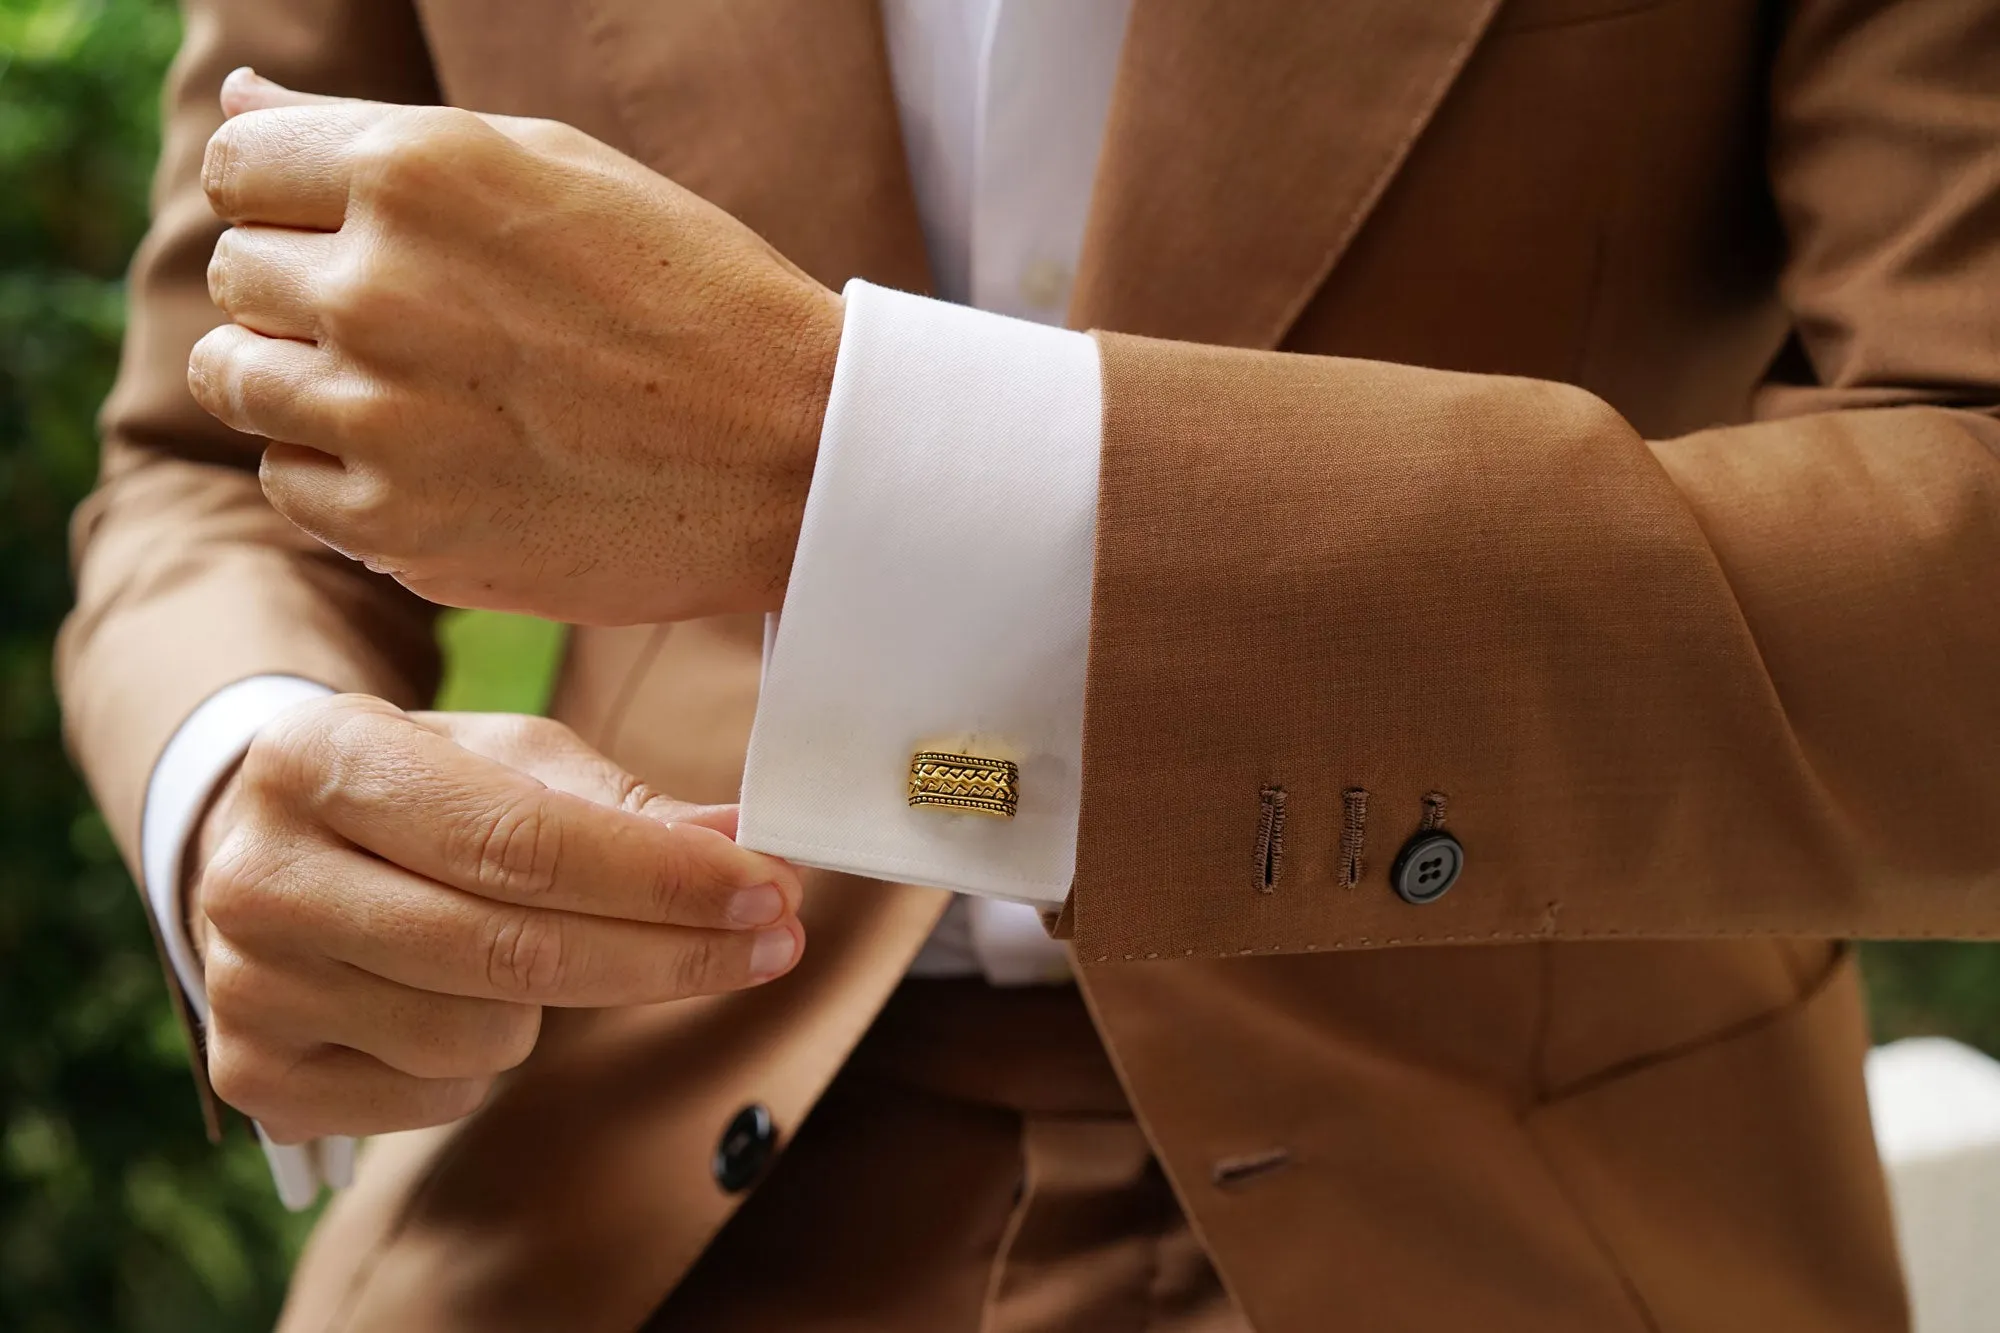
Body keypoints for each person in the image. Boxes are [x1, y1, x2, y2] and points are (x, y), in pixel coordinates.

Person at [56, 0, 2000, 1328]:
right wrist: (247, 771)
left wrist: (853, 462)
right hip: (610, 1186)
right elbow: (202, 467)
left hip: (1518, 1189)